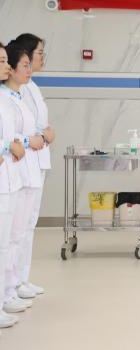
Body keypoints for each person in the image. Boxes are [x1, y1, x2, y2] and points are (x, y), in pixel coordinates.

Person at [10, 33, 53, 297]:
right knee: (18, 227)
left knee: (28, 224)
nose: (42, 58)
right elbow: (20, 130)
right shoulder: (17, 90)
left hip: (37, 160)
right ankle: (12, 284)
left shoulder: (32, 86)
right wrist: (41, 136)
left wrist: (47, 134)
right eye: (39, 53)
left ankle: (21, 279)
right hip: (24, 161)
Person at [1, 44, 43, 313]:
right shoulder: (5, 98)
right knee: (7, 240)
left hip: (16, 173)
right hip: (11, 171)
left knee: (15, 236)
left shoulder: (15, 98)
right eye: (3, 61)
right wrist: (17, 144)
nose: (6, 66)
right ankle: (6, 293)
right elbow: (12, 138)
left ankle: (10, 289)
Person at [0, 43, 25, 332]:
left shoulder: (5, 100)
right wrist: (8, 146)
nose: (7, 66)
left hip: (8, 177)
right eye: (2, 61)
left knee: (5, 243)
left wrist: (13, 145)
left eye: (7, 60)